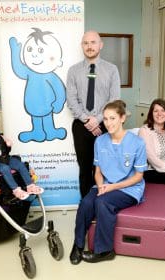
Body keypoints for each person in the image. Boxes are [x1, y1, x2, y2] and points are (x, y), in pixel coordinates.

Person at [69, 100, 147, 264]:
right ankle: (77, 245)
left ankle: (105, 251)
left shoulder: (137, 143)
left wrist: (112, 187)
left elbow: (138, 176)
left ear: (122, 118)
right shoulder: (100, 141)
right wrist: (100, 186)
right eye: (105, 119)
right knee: (86, 202)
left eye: (112, 118)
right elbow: (97, 172)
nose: (108, 123)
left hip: (128, 188)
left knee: (102, 202)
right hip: (104, 185)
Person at [66, 30, 121, 198]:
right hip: (81, 126)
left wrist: (97, 120)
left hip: (107, 125)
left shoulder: (112, 70)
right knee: (85, 168)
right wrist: (87, 120)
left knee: (105, 167)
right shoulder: (73, 71)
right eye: (86, 43)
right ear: (82, 46)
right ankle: (87, 206)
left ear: (100, 45)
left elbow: (115, 100)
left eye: (93, 42)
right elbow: (71, 99)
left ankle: (105, 204)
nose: (89, 46)